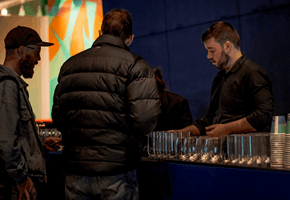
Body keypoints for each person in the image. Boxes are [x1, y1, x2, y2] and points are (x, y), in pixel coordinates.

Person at [51, 8, 160, 200]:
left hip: (75, 172)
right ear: (130, 38)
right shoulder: (136, 66)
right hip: (117, 172)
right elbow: (145, 121)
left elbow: (59, 118)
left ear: (100, 33)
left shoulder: (69, 66)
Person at [174, 21, 274, 137]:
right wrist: (179, 133)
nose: (208, 56)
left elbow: (264, 116)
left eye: (212, 51)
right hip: (222, 152)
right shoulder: (220, 77)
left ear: (227, 46)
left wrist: (226, 128)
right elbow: (209, 120)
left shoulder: (252, 72)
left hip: (247, 152)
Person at [0, 26, 61, 200]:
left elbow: (17, 134)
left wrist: (40, 143)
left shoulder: (13, 85)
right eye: (36, 52)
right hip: (14, 188)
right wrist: (21, 179)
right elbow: (5, 140)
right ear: (20, 51)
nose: (39, 58)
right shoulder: (7, 85)